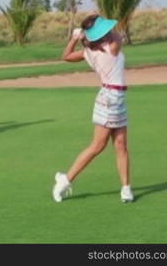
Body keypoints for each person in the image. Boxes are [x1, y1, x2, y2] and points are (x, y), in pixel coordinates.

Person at [52, 15, 134, 203]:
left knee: (121, 145)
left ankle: (126, 188)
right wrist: (83, 38)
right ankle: (65, 180)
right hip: (109, 100)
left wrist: (77, 38)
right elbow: (118, 36)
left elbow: (67, 55)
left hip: (116, 98)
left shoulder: (89, 51)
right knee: (98, 146)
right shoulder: (111, 47)